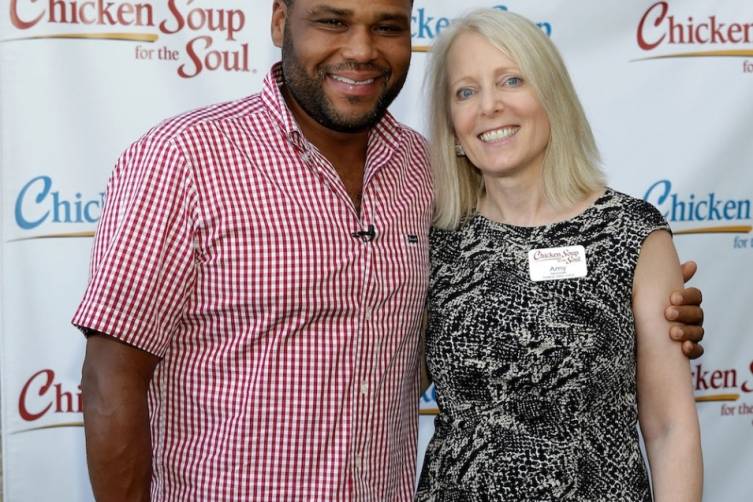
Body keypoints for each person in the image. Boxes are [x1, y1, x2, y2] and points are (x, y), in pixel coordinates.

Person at [72, 1, 704, 501]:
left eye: (387, 26)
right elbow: (110, 379)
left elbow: (494, 310)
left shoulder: (421, 176)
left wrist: (646, 316)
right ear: (277, 19)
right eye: (331, 21)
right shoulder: (181, 159)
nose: (360, 50)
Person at [416, 9, 702, 501]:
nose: (489, 106)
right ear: (451, 124)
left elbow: (670, 427)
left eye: (511, 80)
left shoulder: (631, 233)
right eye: (466, 91)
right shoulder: (432, 240)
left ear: (552, 96)